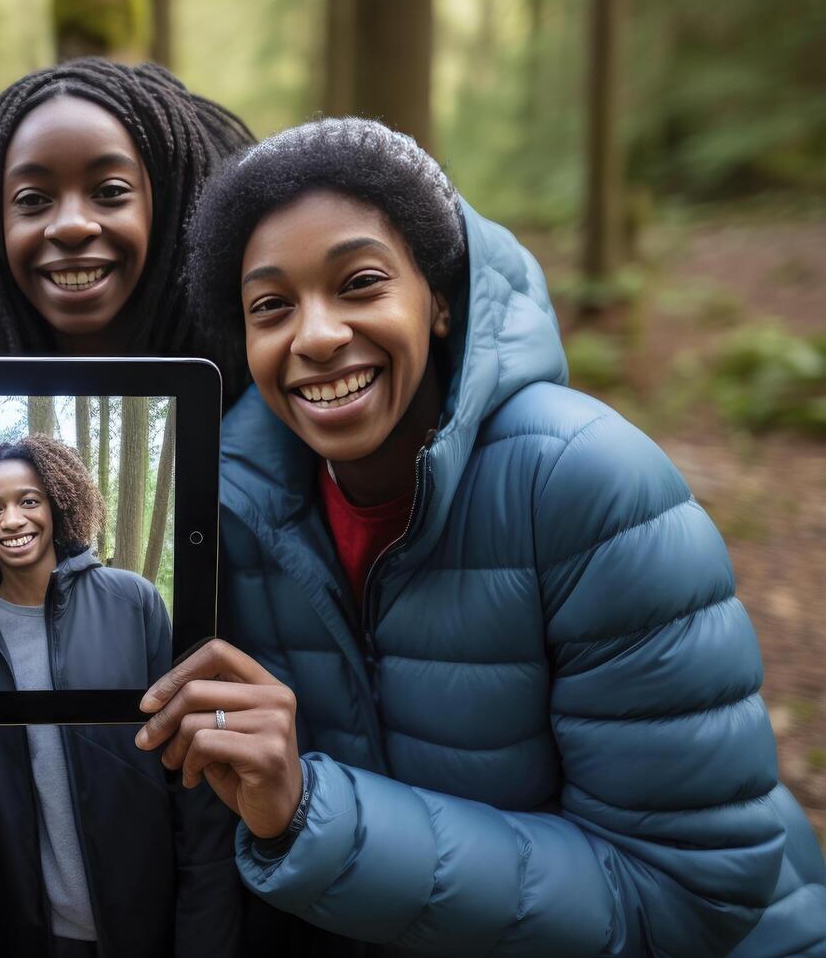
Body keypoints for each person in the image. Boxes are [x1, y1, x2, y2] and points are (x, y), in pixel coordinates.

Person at [135, 117, 826, 955]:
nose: (314, 335)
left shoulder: (588, 485)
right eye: (270, 306)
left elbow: (684, 893)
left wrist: (312, 815)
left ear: (439, 302)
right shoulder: (232, 510)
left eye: (358, 283)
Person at [0, 435, 247, 957]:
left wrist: (204, 922)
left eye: (28, 501)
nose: (12, 520)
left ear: (57, 502)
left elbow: (189, 773)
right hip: (31, 928)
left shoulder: (133, 603)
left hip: (144, 918)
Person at [0, 58, 253, 357]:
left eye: (110, 192)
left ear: (169, 212)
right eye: (31, 200)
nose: (72, 226)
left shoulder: (264, 399)